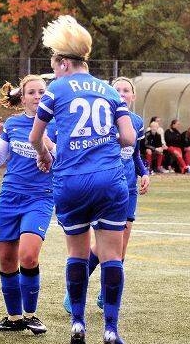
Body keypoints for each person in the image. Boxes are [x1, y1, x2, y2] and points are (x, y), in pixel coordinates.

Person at [29, 15, 137, 344]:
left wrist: (45, 154)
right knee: (111, 255)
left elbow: (36, 136)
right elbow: (128, 137)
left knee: (77, 253)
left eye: (54, 64)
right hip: (110, 181)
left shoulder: (56, 90)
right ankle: (112, 327)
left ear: (64, 62)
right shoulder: (109, 90)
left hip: (71, 181)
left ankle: (77, 321)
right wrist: (102, 143)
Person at [64, 76, 151, 313]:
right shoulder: (101, 120)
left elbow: (135, 154)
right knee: (105, 243)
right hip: (107, 187)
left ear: (133, 96)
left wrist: (144, 173)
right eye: (117, 89)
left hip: (128, 188)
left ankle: (106, 293)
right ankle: (75, 291)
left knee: (121, 245)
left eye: (126, 90)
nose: (122, 93)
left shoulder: (136, 122)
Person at [0, 75, 55, 335]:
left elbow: (66, 160)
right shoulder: (13, 124)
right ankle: (14, 319)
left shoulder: (57, 124)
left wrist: (49, 144)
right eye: (32, 92)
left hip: (40, 197)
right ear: (22, 98)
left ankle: (31, 316)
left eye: (42, 92)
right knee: (6, 259)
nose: (37, 96)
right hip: (9, 197)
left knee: (28, 255)